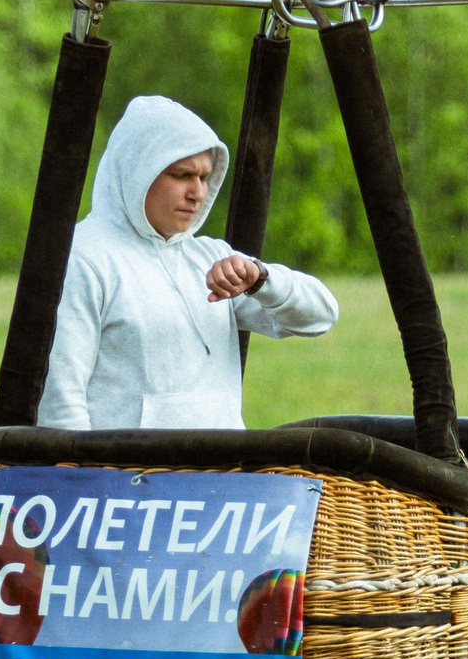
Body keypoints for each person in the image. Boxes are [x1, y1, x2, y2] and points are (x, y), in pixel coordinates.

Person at [39, 95, 336, 429]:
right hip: (123, 465)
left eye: (205, 178)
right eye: (182, 175)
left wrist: (260, 280)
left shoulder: (210, 259)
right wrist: (81, 465)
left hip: (224, 463)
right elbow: (59, 402)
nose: (198, 193)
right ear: (137, 170)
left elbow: (321, 317)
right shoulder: (82, 258)